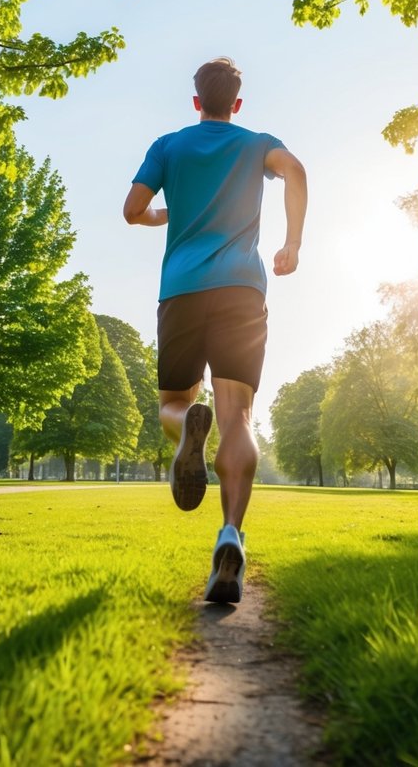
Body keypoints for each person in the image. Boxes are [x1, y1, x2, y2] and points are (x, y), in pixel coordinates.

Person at [123, 57, 307, 603]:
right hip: (242, 290)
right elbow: (295, 169)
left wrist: (169, 214)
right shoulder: (256, 143)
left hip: (181, 290)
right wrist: (293, 242)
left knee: (173, 402)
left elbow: (133, 210)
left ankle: (185, 431)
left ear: (196, 100)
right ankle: (231, 534)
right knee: (238, 417)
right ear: (237, 103)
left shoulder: (168, 145)